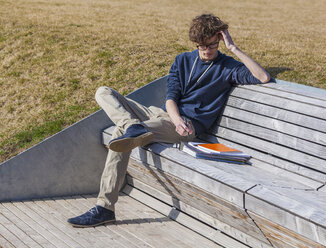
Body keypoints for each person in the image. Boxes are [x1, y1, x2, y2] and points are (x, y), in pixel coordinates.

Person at [67, 13, 270, 227]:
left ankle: (104, 208)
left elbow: (263, 77)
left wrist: (233, 48)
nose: (208, 51)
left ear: (219, 39)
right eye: (203, 46)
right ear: (195, 43)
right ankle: (133, 126)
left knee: (119, 133)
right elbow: (171, 96)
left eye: (212, 45)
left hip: (187, 126)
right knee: (103, 91)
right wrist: (174, 118)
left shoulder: (228, 66)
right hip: (162, 115)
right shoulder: (183, 60)